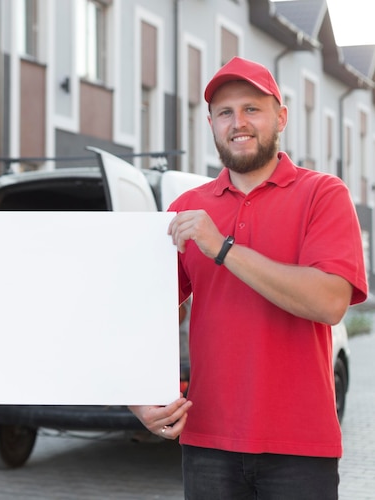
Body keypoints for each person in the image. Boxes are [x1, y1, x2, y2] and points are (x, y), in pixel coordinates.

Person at [130, 56, 368, 499]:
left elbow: (330, 301)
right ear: (211, 124)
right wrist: (136, 397)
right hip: (207, 446)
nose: (237, 122)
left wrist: (221, 246)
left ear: (281, 117)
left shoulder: (324, 194)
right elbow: (136, 314)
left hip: (301, 448)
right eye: (225, 113)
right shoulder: (188, 207)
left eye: (251, 109)